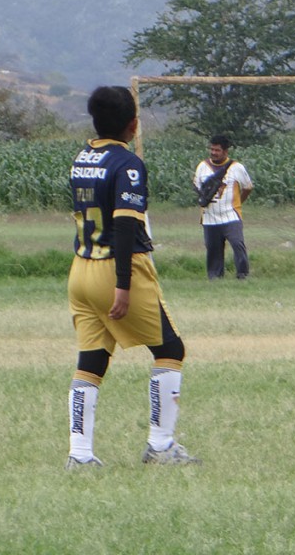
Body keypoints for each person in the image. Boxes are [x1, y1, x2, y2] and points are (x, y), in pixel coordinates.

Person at [66, 85, 199, 468]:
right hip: (115, 268)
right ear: (133, 124)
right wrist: (123, 285)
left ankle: (80, 456)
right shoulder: (127, 164)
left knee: (91, 360)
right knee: (170, 350)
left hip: (81, 267)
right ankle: (160, 446)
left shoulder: (82, 158)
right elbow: (124, 227)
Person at [193, 135, 254, 279]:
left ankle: (242, 275)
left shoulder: (236, 167)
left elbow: (248, 187)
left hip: (231, 215)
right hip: (209, 217)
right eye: (212, 149)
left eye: (217, 150)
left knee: (237, 244)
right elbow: (197, 187)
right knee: (213, 249)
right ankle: (215, 278)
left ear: (225, 152)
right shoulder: (202, 166)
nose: (213, 153)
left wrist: (238, 202)